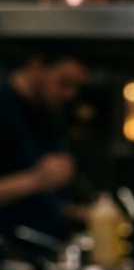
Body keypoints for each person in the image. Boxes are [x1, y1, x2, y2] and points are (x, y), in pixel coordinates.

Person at [0, 53, 87, 241]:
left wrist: (76, 212)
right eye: (64, 82)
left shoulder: (45, 113)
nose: (69, 95)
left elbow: (39, 203)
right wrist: (35, 179)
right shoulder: (4, 106)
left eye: (76, 88)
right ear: (36, 64)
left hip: (43, 253)